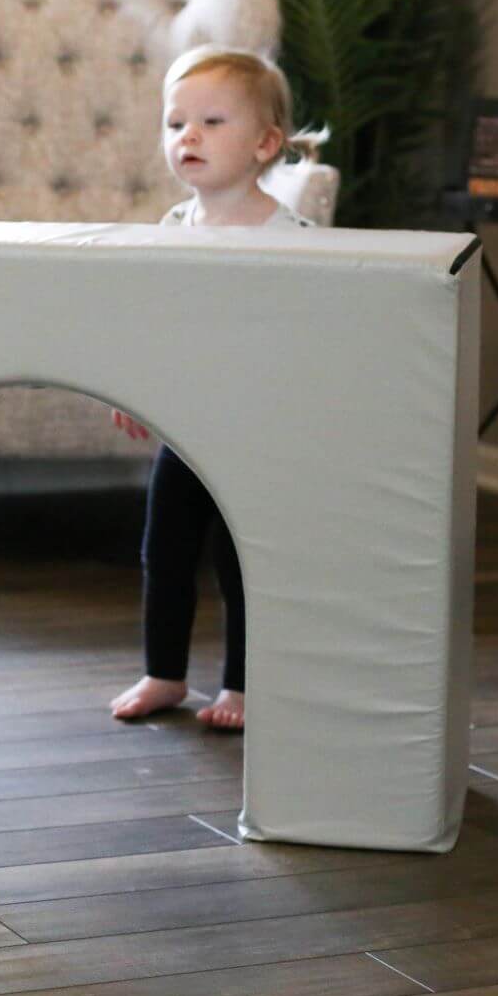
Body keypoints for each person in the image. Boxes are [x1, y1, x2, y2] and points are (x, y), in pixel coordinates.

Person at [109, 47, 328, 731]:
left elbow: (312, 333)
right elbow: (150, 317)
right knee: (164, 548)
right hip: (186, 427)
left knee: (241, 558)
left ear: (265, 143)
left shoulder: (291, 237)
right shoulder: (176, 227)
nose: (187, 137)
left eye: (209, 121)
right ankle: (164, 671)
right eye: (175, 123)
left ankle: (241, 682)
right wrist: (131, 386)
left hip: (259, 433)